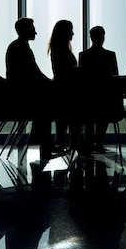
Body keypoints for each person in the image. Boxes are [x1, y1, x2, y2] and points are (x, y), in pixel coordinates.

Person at [5, 17, 55, 160]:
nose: (36, 32)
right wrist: (52, 84)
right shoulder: (21, 48)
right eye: (33, 29)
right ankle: (46, 144)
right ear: (25, 30)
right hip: (22, 98)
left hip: (20, 94)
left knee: (46, 103)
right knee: (47, 105)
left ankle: (43, 142)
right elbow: (34, 74)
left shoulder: (17, 46)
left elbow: (33, 74)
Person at [78, 26, 119, 154]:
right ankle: (98, 141)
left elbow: (82, 78)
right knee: (103, 111)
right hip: (104, 96)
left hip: (89, 96)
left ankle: (90, 142)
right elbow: (115, 76)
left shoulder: (84, 55)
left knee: (90, 112)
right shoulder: (110, 55)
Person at [48, 19, 82, 153]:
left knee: (65, 118)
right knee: (76, 113)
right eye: (70, 30)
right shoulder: (62, 50)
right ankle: (75, 143)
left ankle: (66, 141)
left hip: (61, 90)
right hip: (66, 90)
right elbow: (66, 72)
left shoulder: (57, 49)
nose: (72, 33)